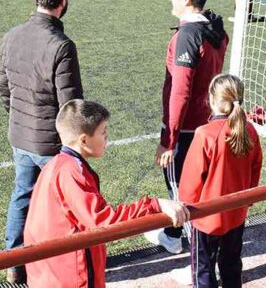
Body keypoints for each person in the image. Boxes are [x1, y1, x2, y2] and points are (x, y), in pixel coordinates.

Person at [25, 100, 190, 288]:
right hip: (70, 275)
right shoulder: (71, 172)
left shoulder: (54, 165)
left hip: (49, 273)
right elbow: (104, 220)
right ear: (84, 140)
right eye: (103, 132)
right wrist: (155, 205)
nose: (107, 137)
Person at [0, 0, 83, 284]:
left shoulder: (12, 35)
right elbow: (70, 105)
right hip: (51, 144)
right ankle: (65, 263)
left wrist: (18, 116)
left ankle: (14, 260)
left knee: (22, 194)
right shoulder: (61, 45)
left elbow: (3, 87)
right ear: (63, 1)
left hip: (20, 135)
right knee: (67, 203)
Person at [145, 0, 229, 256]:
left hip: (186, 128)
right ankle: (172, 233)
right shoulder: (216, 30)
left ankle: (198, 259)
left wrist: (168, 140)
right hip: (209, 122)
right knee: (200, 186)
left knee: (182, 192)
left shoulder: (188, 36)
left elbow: (180, 91)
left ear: (186, 0)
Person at [177, 74, 263, 288]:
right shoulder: (249, 129)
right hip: (236, 212)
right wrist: (247, 199)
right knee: (232, 264)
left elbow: (191, 180)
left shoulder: (205, 134)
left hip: (207, 217)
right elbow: (255, 168)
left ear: (212, 99)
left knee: (203, 269)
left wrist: (185, 206)